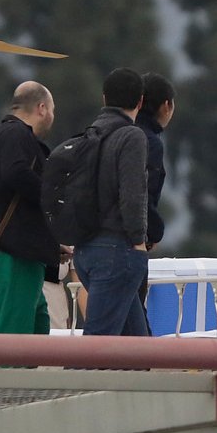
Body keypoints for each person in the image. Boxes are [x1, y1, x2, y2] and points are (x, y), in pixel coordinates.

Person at [0, 81, 70, 334]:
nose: (52, 116)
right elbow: (16, 173)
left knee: (36, 333)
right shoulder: (16, 134)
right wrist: (53, 196)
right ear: (41, 108)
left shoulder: (6, 135)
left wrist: (51, 243)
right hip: (13, 257)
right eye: (52, 110)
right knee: (10, 346)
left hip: (22, 259)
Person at [71, 67, 150, 336]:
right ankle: (78, 381)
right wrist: (139, 242)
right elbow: (132, 194)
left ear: (104, 99)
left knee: (137, 351)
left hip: (84, 250)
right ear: (140, 102)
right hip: (117, 252)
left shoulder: (89, 134)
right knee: (97, 350)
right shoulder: (132, 136)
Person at [134, 72, 176, 334]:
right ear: (166, 105)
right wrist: (153, 230)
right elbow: (142, 193)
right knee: (136, 320)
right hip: (132, 243)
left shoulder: (120, 131)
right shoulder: (149, 141)